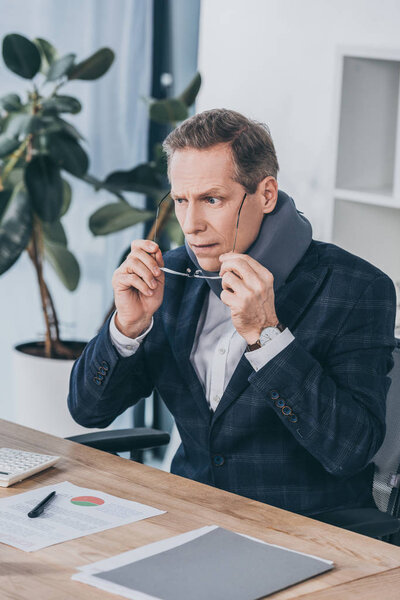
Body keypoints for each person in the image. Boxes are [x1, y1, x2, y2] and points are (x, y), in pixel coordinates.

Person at [68, 108, 397, 517]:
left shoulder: (357, 288)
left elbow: (350, 450)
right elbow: (88, 411)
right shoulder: (168, 278)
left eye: (212, 199)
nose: (190, 225)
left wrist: (268, 336)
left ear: (266, 194)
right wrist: (126, 328)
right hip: (188, 513)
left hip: (304, 530)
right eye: (181, 201)